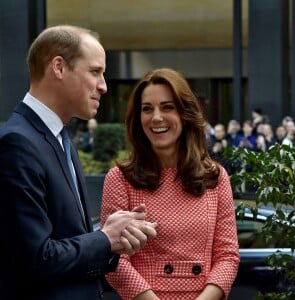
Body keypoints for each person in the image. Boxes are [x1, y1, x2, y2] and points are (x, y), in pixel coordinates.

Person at [0, 25, 157, 300]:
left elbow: (66, 243)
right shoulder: (17, 144)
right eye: (95, 72)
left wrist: (112, 240)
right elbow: (36, 259)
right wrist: (106, 238)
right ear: (58, 67)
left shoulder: (61, 139)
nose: (104, 86)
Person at [100, 68, 240, 300]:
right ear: (138, 119)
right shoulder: (120, 179)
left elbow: (228, 256)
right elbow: (114, 260)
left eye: (167, 107)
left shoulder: (215, 177)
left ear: (185, 114)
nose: (156, 117)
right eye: (147, 109)